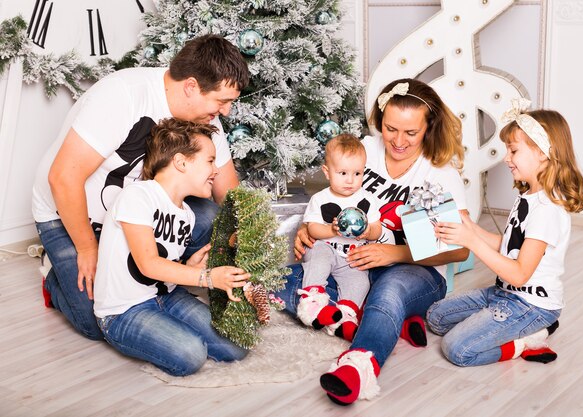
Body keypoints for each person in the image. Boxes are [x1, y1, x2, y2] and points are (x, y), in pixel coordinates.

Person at [32, 35, 249, 340]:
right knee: (98, 320)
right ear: (191, 86)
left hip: (140, 217)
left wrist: (247, 243)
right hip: (69, 212)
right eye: (221, 101)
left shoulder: (204, 114)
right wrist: (86, 248)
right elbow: (63, 178)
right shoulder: (123, 95)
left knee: (214, 220)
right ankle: (56, 277)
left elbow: (228, 192)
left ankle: (163, 280)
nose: (226, 111)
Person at [272, 78, 469, 405]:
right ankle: (385, 318)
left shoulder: (437, 172)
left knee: (387, 293)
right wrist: (311, 230)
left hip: (412, 270)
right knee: (283, 281)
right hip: (350, 262)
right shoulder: (365, 149)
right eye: (391, 129)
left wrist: (394, 253)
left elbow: (459, 248)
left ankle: (358, 364)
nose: (398, 141)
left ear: (428, 127)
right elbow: (328, 200)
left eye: (411, 132)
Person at [426, 99, 583, 367]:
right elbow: (509, 245)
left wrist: (471, 242)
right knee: (436, 317)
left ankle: (526, 340)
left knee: (457, 349)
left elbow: (519, 272)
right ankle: (502, 325)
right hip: (503, 293)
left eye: (513, 151)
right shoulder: (527, 194)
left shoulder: (547, 209)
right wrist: (471, 229)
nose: (506, 158)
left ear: (542, 153)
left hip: (530, 304)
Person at [93, 118, 249, 376]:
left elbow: (164, 267)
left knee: (236, 346)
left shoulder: (186, 214)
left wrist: (188, 268)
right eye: (210, 160)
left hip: (167, 297)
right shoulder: (138, 195)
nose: (216, 170)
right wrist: (207, 278)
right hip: (125, 311)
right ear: (181, 161)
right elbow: (148, 263)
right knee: (190, 355)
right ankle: (54, 282)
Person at [297, 134, 383, 342]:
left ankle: (345, 316)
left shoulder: (367, 199)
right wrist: (332, 231)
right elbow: (313, 229)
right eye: (343, 173)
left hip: (351, 257)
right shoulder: (320, 199)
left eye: (357, 173)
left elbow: (377, 229)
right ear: (327, 172)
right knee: (317, 259)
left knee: (360, 282)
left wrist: (368, 232)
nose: (350, 180)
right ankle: (312, 301)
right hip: (326, 248)